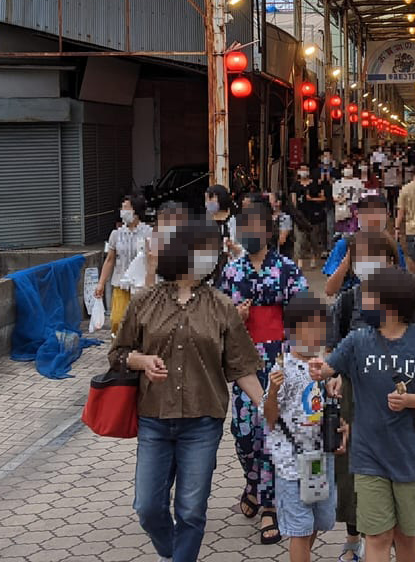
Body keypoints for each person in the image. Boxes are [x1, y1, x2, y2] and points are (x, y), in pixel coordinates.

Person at [111, 218, 265, 562]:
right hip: (154, 417)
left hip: (203, 421)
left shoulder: (221, 306)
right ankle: (172, 552)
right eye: (206, 249)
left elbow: (242, 366)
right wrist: (141, 361)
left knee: (191, 511)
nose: (212, 257)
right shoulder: (146, 302)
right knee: (148, 507)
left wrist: (268, 406)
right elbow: (118, 353)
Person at [309, 268, 415, 562]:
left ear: (391, 303)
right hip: (367, 456)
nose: (364, 304)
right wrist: (317, 369)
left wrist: (410, 400)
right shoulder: (358, 341)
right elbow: (328, 367)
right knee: (376, 536)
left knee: (405, 536)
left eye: (370, 298)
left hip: (410, 457)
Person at [218, 197, 309, 545]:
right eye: (245, 228)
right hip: (244, 360)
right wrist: (233, 318)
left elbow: (302, 316)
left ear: (269, 232)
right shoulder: (231, 271)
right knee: (243, 431)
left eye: (256, 227)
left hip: (279, 360)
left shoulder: (287, 269)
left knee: (273, 430)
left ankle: (270, 505)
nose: (250, 233)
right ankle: (253, 481)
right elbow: (219, 317)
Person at [326, 230, 401, 562]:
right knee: (352, 471)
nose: (368, 264)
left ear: (390, 260)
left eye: (376, 256)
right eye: (361, 258)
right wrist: (335, 375)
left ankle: (392, 534)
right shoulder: (347, 301)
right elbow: (331, 352)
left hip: (396, 401)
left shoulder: (406, 300)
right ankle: (354, 538)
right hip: (353, 402)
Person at [265, 293, 346, 562]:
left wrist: (340, 422)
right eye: (309, 327)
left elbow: (324, 409)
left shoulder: (320, 368)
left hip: (320, 459)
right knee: (299, 529)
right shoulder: (283, 369)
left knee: (319, 520)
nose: (316, 334)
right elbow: (269, 417)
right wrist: (274, 391)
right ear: (292, 330)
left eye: (321, 327)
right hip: (291, 463)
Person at [94, 193, 153, 335]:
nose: (123, 211)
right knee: (117, 320)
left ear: (136, 211)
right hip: (120, 282)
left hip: (141, 284)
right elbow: (110, 259)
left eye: (126, 208)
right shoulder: (116, 234)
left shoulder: (149, 232)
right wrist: (101, 283)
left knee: (140, 321)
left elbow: (153, 259)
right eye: (122, 208)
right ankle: (118, 350)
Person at [293, 167, 331, 271]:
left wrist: (312, 199)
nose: (303, 171)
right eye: (301, 169)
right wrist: (295, 213)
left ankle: (313, 258)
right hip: (300, 216)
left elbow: (323, 198)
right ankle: (300, 261)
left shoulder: (315, 184)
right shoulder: (295, 185)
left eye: (305, 169)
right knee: (300, 239)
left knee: (313, 238)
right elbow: (293, 200)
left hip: (313, 215)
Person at [206, 184, 240, 260]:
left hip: (231, 265)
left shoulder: (235, 220)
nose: (207, 203)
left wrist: (233, 247)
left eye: (209, 199)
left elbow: (243, 249)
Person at [333, 166, 363, 237]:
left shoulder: (358, 181)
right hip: (341, 207)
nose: (348, 170)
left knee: (352, 231)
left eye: (350, 168)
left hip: (354, 207)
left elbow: (361, 195)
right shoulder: (338, 182)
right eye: (346, 168)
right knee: (341, 231)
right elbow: (334, 196)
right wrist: (341, 199)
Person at [382, 154, 402, 218]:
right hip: (388, 182)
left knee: (396, 198)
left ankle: (396, 212)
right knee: (390, 198)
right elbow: (382, 172)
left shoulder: (398, 162)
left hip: (395, 182)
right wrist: (383, 181)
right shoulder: (384, 161)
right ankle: (391, 212)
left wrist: (400, 181)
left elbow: (399, 172)